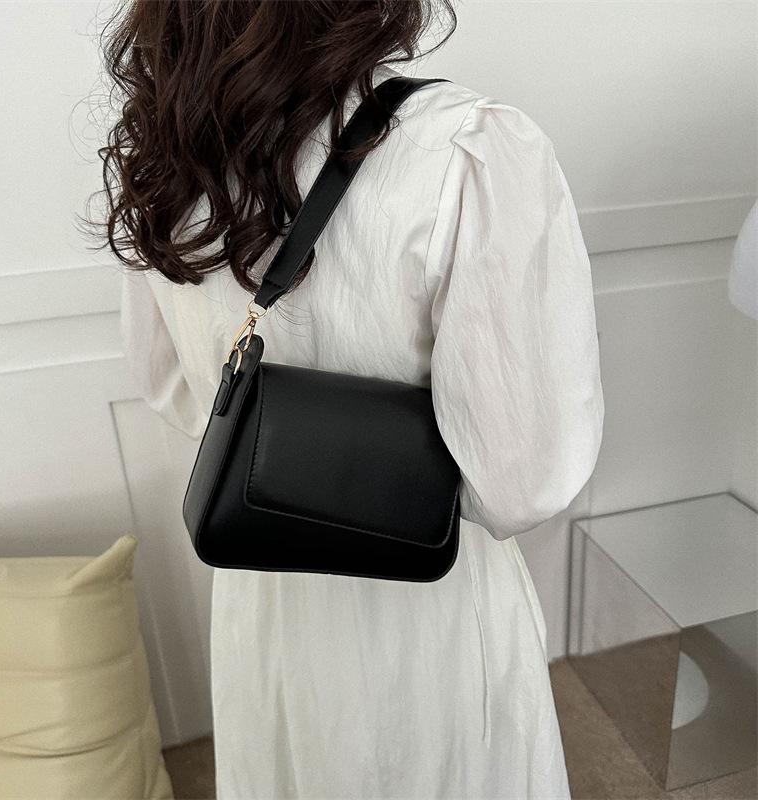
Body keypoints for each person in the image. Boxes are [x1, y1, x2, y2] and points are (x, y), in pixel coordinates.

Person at [102, 2, 604, 796]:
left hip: (262, 588)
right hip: (426, 611)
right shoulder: (465, 149)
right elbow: (524, 482)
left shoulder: (167, 153)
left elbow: (170, 387)